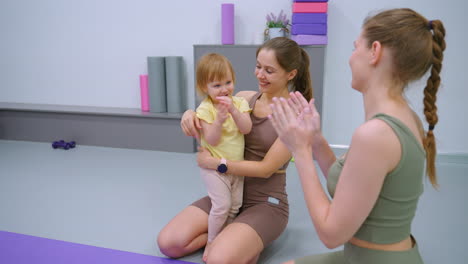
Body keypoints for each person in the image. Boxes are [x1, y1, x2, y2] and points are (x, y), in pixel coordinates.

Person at [268, 8, 446, 264]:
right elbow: (350, 185)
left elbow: (330, 234)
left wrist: (301, 151)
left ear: (375, 51)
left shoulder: (376, 134)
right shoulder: (402, 119)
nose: (350, 58)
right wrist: (316, 140)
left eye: (355, 48)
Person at [157, 37, 313, 264]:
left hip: (265, 203)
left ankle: (240, 245)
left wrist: (218, 164)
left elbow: (266, 169)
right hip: (227, 194)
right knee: (168, 243)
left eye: (269, 70)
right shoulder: (243, 98)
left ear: (291, 74)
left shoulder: (295, 116)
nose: (260, 74)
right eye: (258, 66)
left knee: (218, 260)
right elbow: (210, 107)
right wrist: (190, 113)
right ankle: (232, 239)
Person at [192, 53, 252, 258]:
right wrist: (219, 120)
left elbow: (246, 128)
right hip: (213, 169)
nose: (224, 89)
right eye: (217, 85)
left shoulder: (240, 103)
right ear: (204, 88)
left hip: (237, 167)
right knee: (222, 206)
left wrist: (234, 112)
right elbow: (212, 139)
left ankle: (224, 239)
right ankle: (211, 242)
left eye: (228, 82)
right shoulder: (205, 109)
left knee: (235, 207)